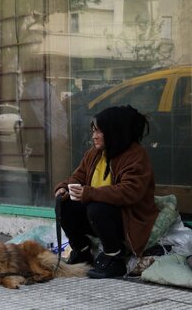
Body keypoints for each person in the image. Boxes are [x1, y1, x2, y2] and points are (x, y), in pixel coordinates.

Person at [54, 105, 158, 279]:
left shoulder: (135, 156)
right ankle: (82, 252)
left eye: (99, 131)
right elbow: (77, 178)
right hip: (100, 219)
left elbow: (130, 191)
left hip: (128, 218)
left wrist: (89, 193)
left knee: (97, 207)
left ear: (114, 132)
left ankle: (114, 257)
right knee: (65, 205)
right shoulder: (94, 154)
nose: (94, 136)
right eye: (93, 131)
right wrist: (64, 188)